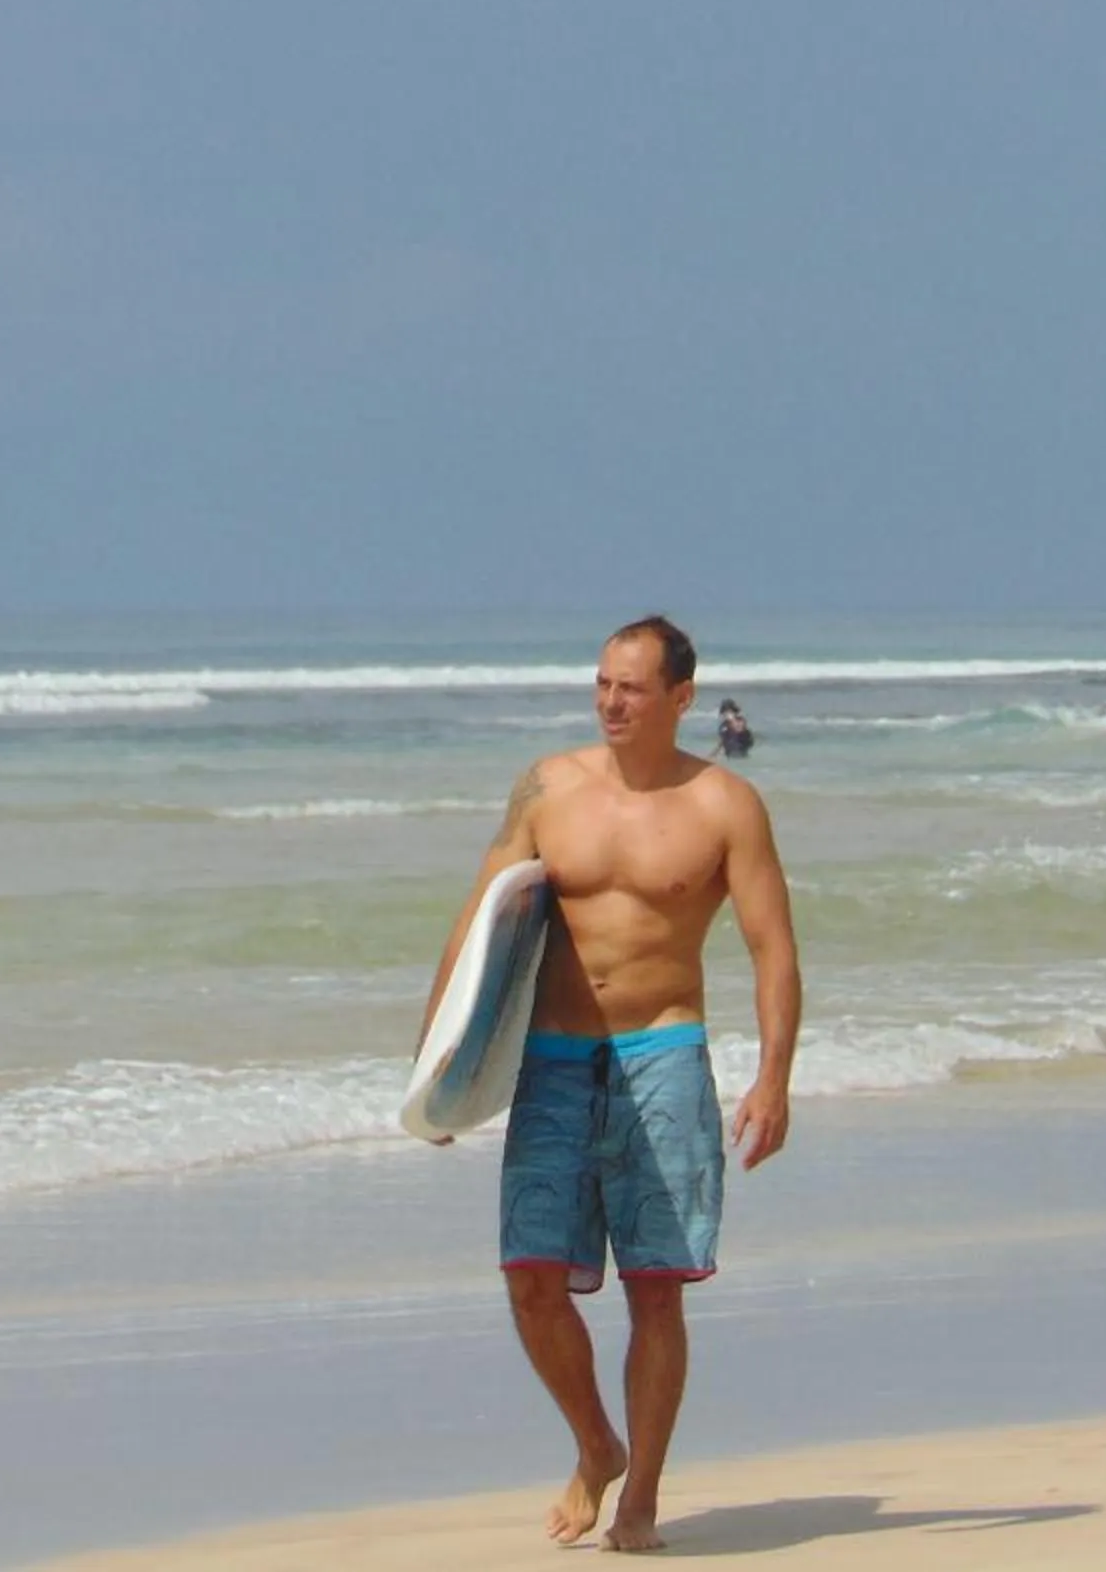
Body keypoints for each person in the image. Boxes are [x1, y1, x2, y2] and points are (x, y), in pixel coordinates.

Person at [419, 615, 802, 1552]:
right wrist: (437, 1068)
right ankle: (597, 1444)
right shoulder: (550, 787)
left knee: (656, 1290)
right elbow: (481, 922)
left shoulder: (726, 806)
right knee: (531, 1283)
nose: (610, 701)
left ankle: (641, 1500)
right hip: (554, 1058)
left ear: (680, 698)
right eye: (601, 683)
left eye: (631, 687)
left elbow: (771, 947)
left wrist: (774, 1076)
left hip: (662, 1054)